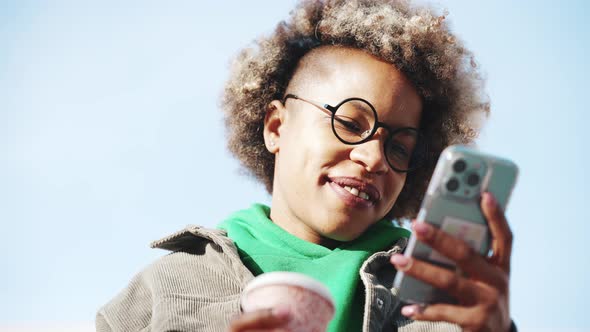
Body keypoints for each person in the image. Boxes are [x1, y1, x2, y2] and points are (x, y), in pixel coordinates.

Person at [96, 0, 516, 331]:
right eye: (350, 124)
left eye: (401, 149)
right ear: (277, 127)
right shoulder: (164, 290)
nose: (373, 158)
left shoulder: (440, 300)